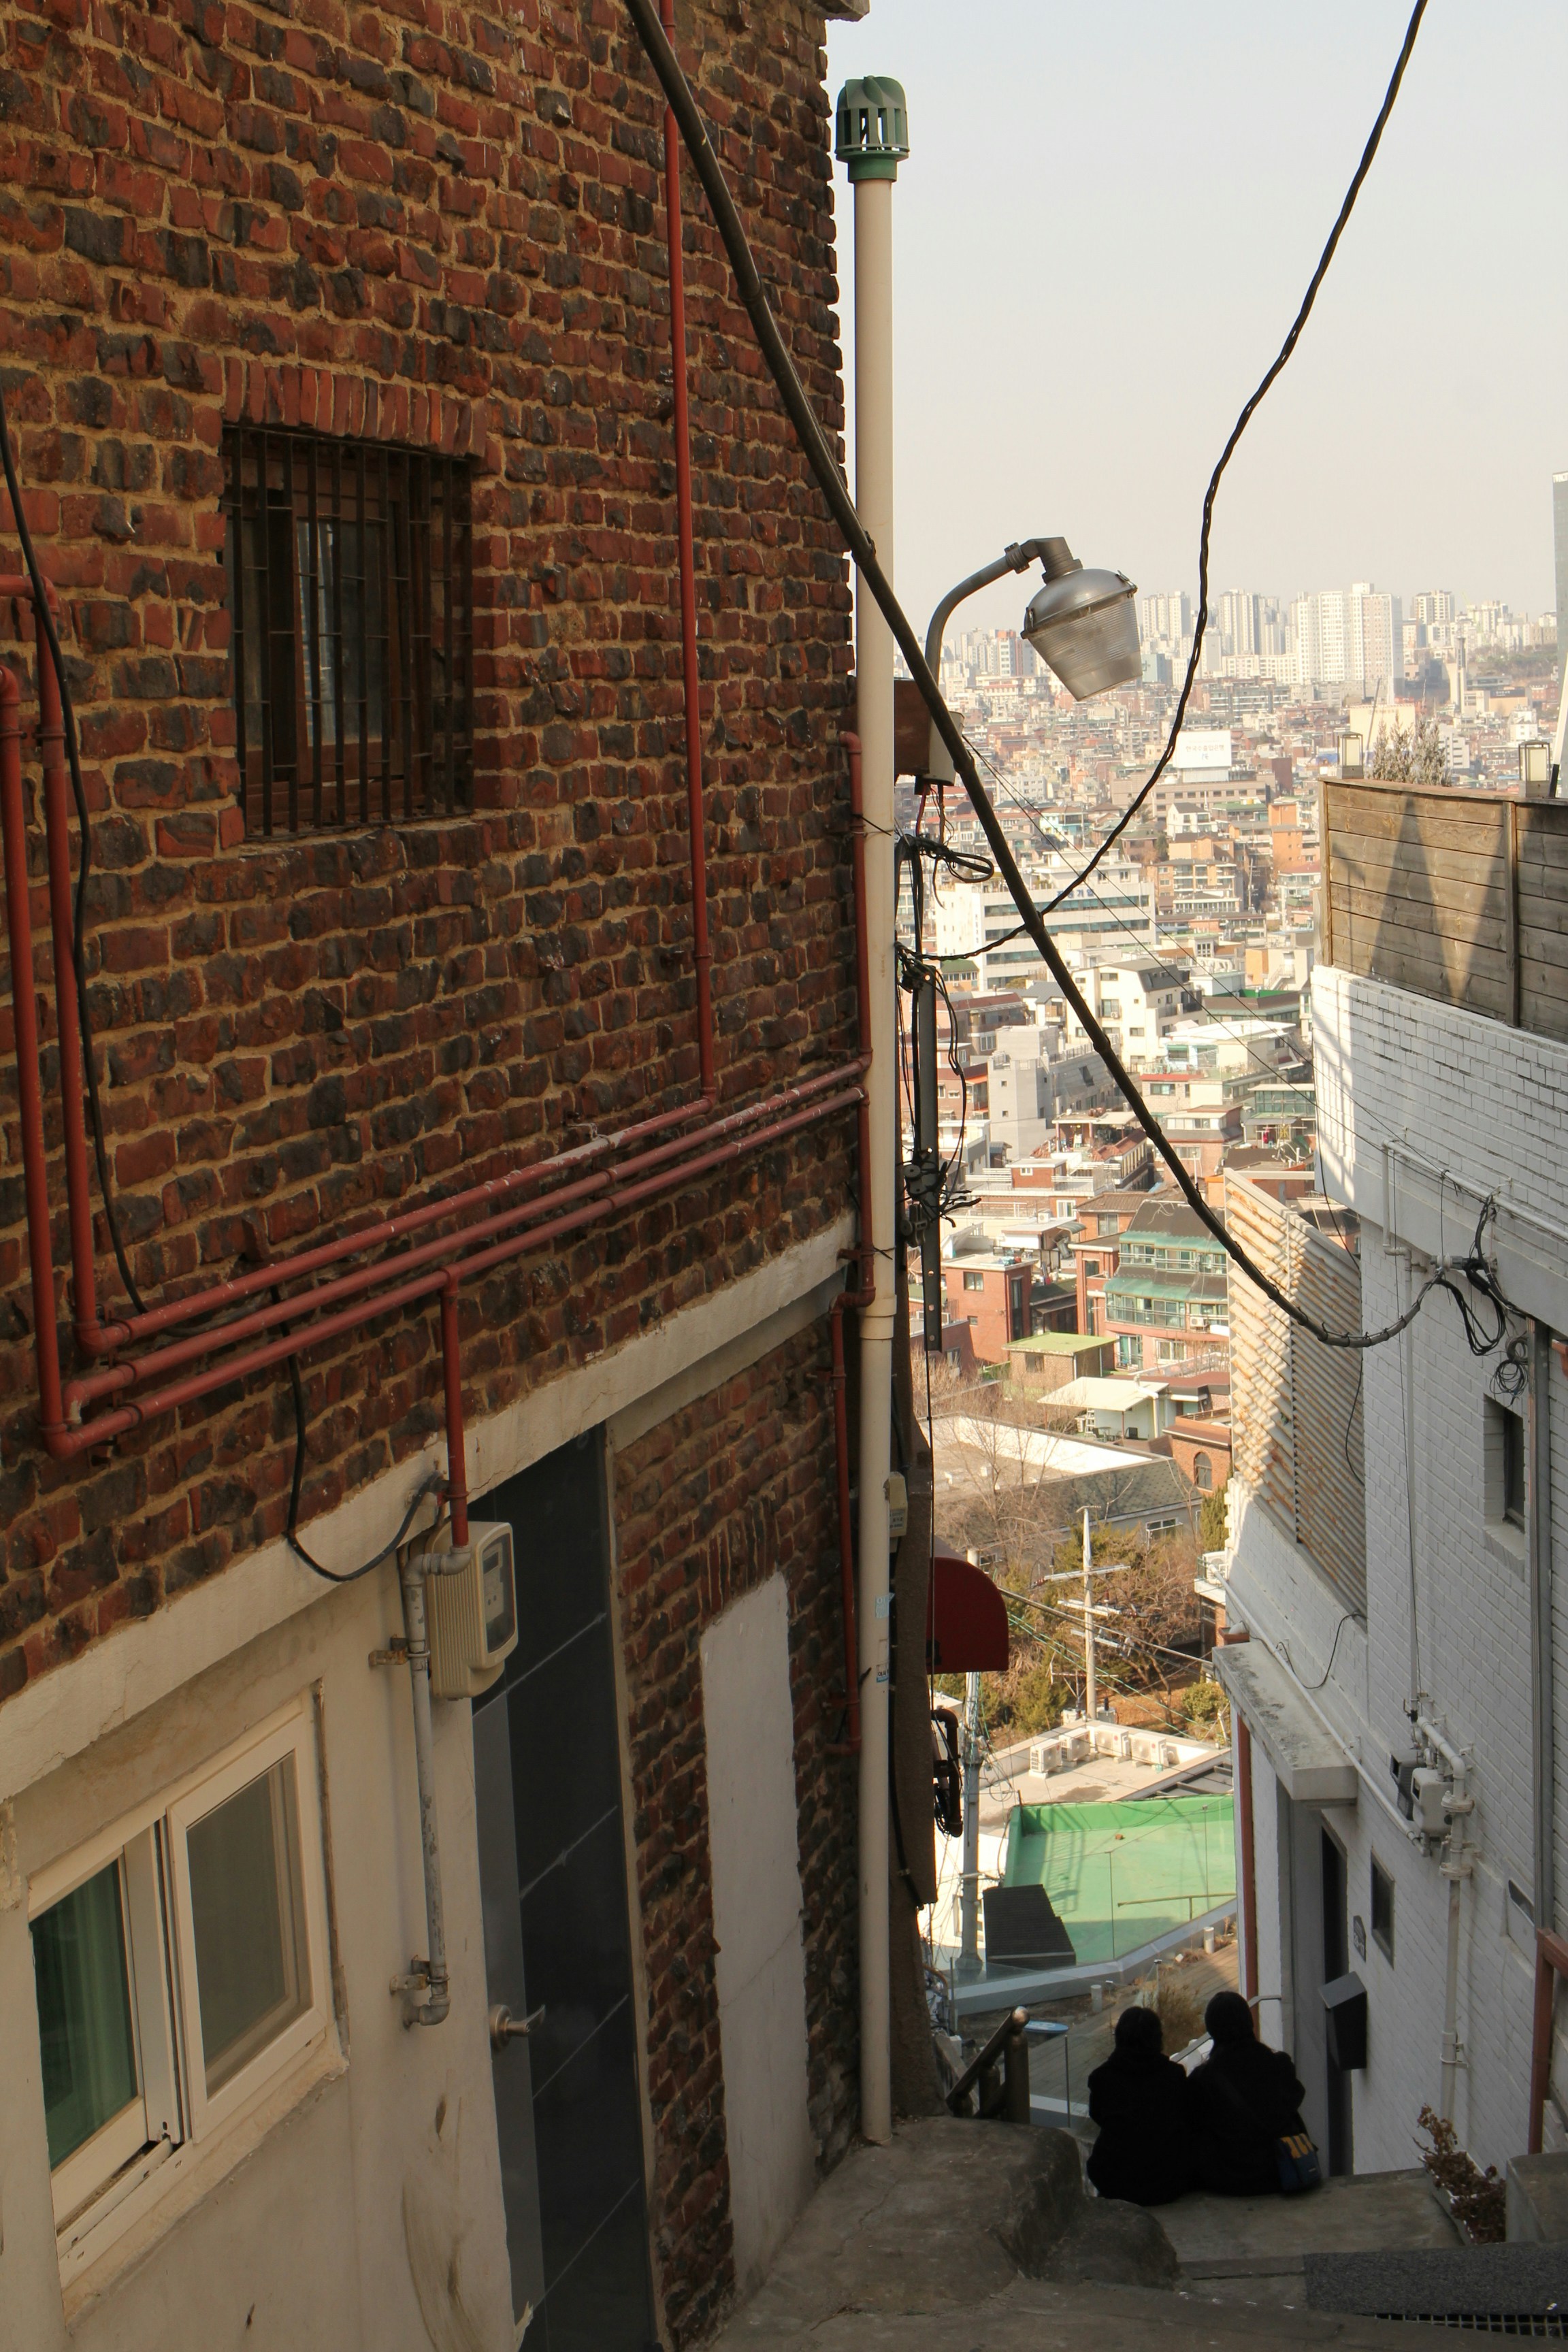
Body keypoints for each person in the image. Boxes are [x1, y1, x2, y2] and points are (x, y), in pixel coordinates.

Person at [1186, 1989, 1309, 2195]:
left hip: (1226, 2179)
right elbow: (1293, 2099)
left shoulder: (1202, 2079)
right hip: (1277, 2172)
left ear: (1212, 2029)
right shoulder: (1279, 2065)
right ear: (1248, 2023)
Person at [1085, 2004, 1194, 2206]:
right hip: (1168, 2183)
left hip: (1116, 2182)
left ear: (1119, 2038)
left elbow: (1099, 2116)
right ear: (1157, 2039)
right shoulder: (1175, 2075)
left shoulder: (1102, 2079)